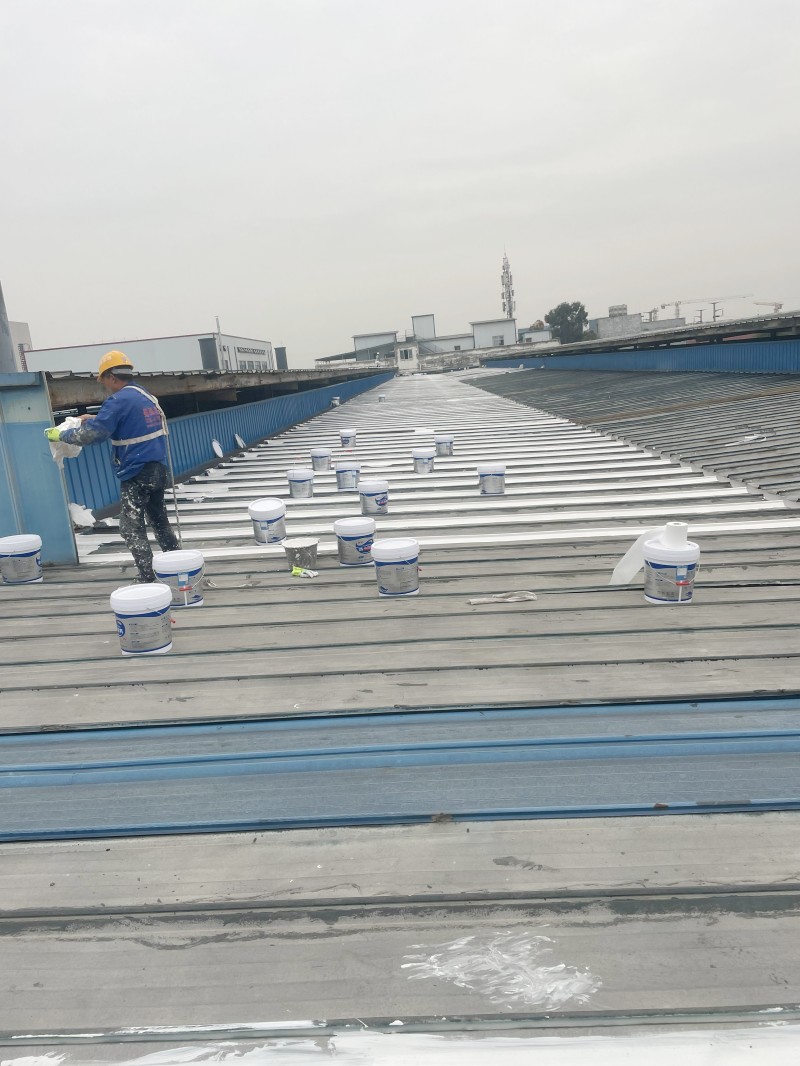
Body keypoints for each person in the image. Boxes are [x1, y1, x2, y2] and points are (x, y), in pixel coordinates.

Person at [45, 351, 180, 583]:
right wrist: (95, 418)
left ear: (112, 377)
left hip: (137, 472)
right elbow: (128, 421)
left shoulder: (118, 401)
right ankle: (178, 565)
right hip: (157, 469)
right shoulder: (143, 395)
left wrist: (63, 435)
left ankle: (148, 578)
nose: (105, 386)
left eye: (104, 380)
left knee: (130, 528)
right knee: (159, 521)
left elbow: (94, 435)